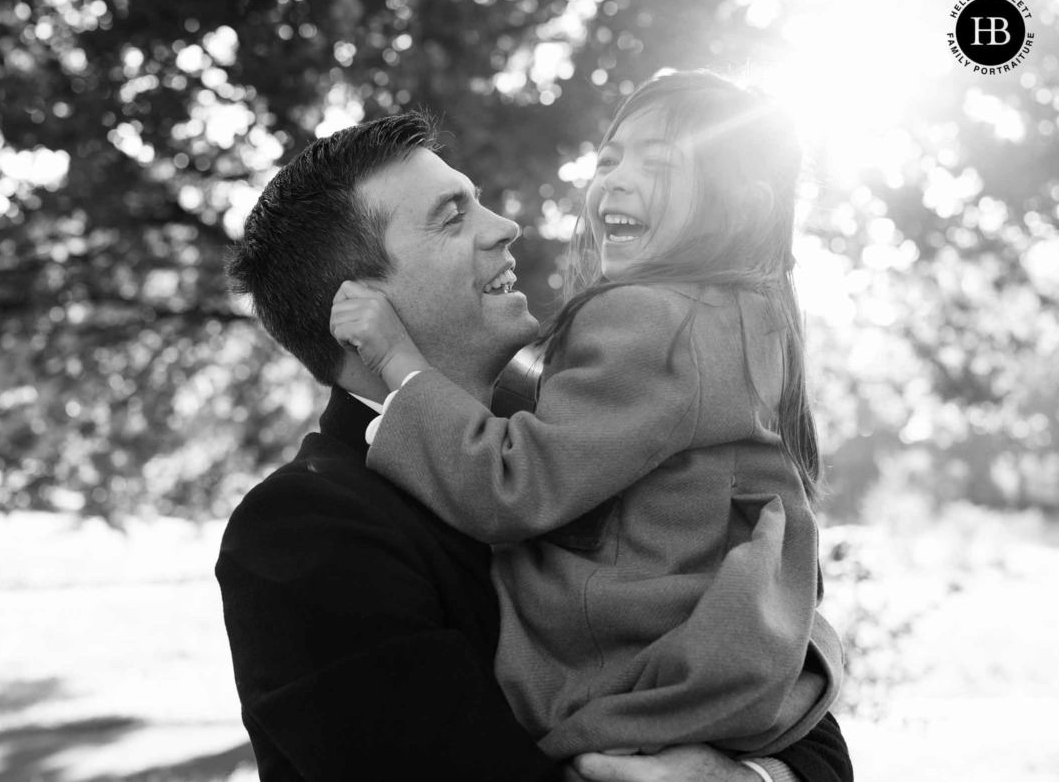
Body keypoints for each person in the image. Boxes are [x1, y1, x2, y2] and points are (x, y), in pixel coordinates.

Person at [219, 109, 854, 781]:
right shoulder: (299, 535)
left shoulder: (604, 434)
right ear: (359, 308)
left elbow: (810, 725)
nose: (505, 227)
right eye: (452, 217)